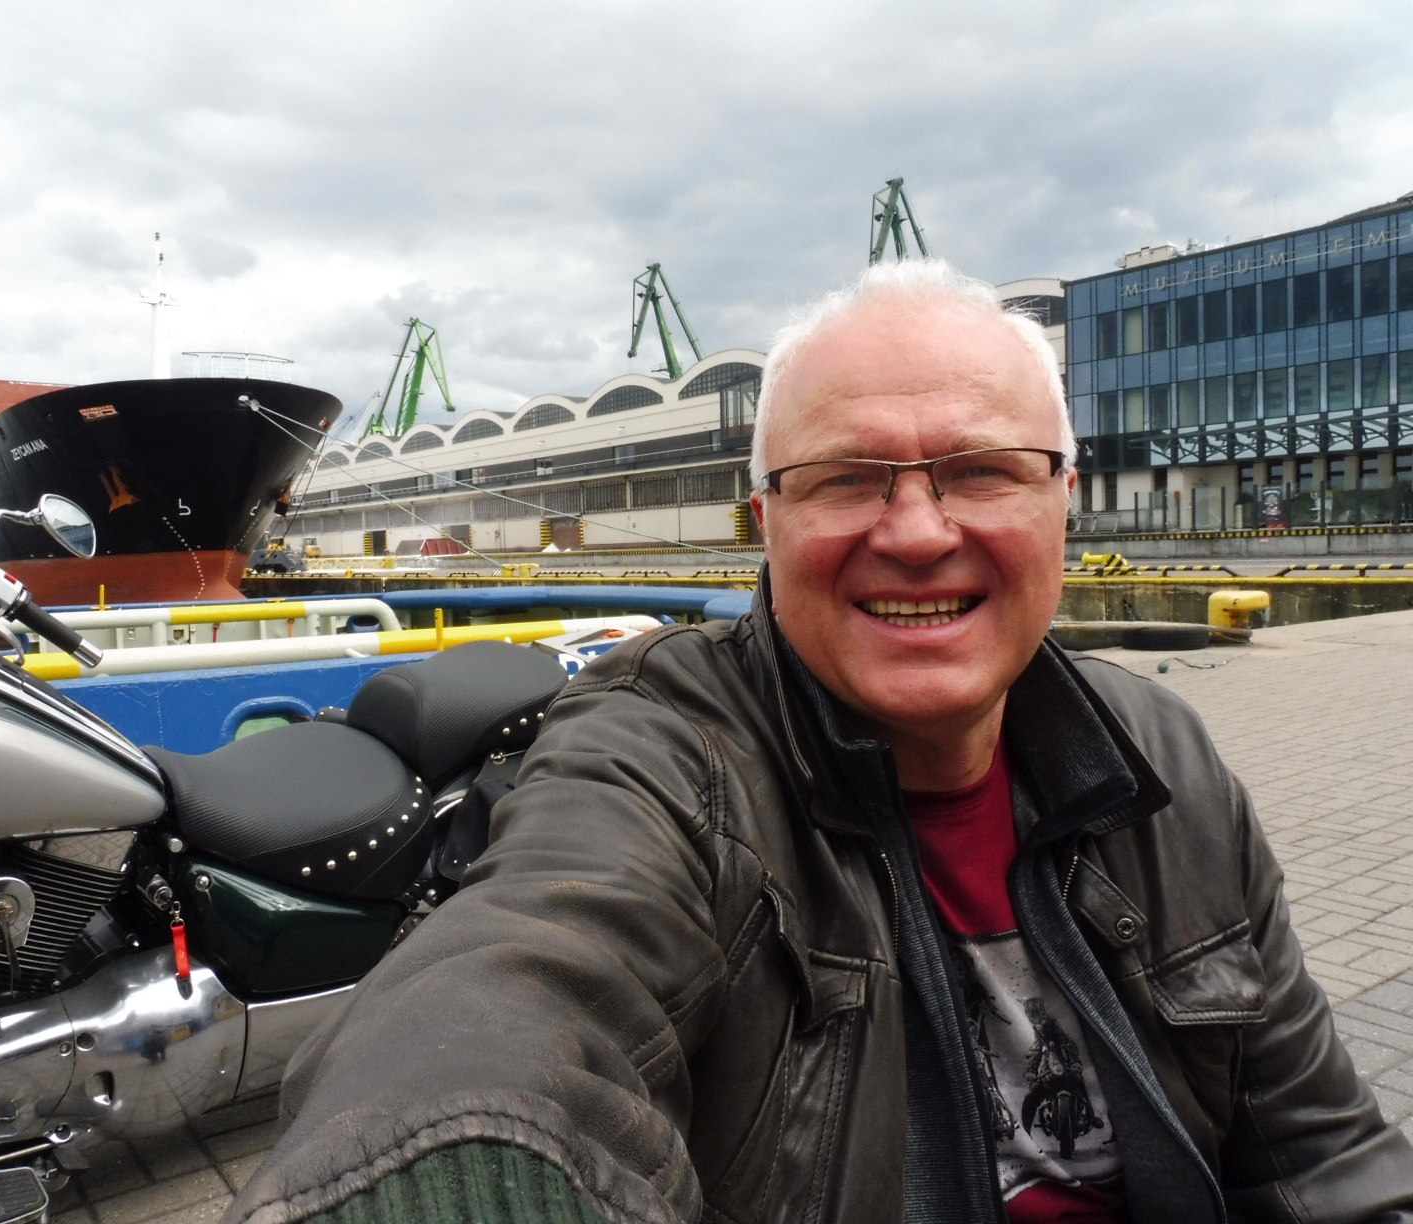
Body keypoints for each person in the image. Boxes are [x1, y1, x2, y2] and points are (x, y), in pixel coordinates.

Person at [228, 260, 1413, 1224]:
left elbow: (1322, 1161)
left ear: (1064, 501)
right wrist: (448, 1169)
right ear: (767, 521)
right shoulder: (669, 757)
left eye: (980, 472)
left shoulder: (1164, 758)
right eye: (848, 480)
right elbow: (514, 982)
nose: (917, 532)